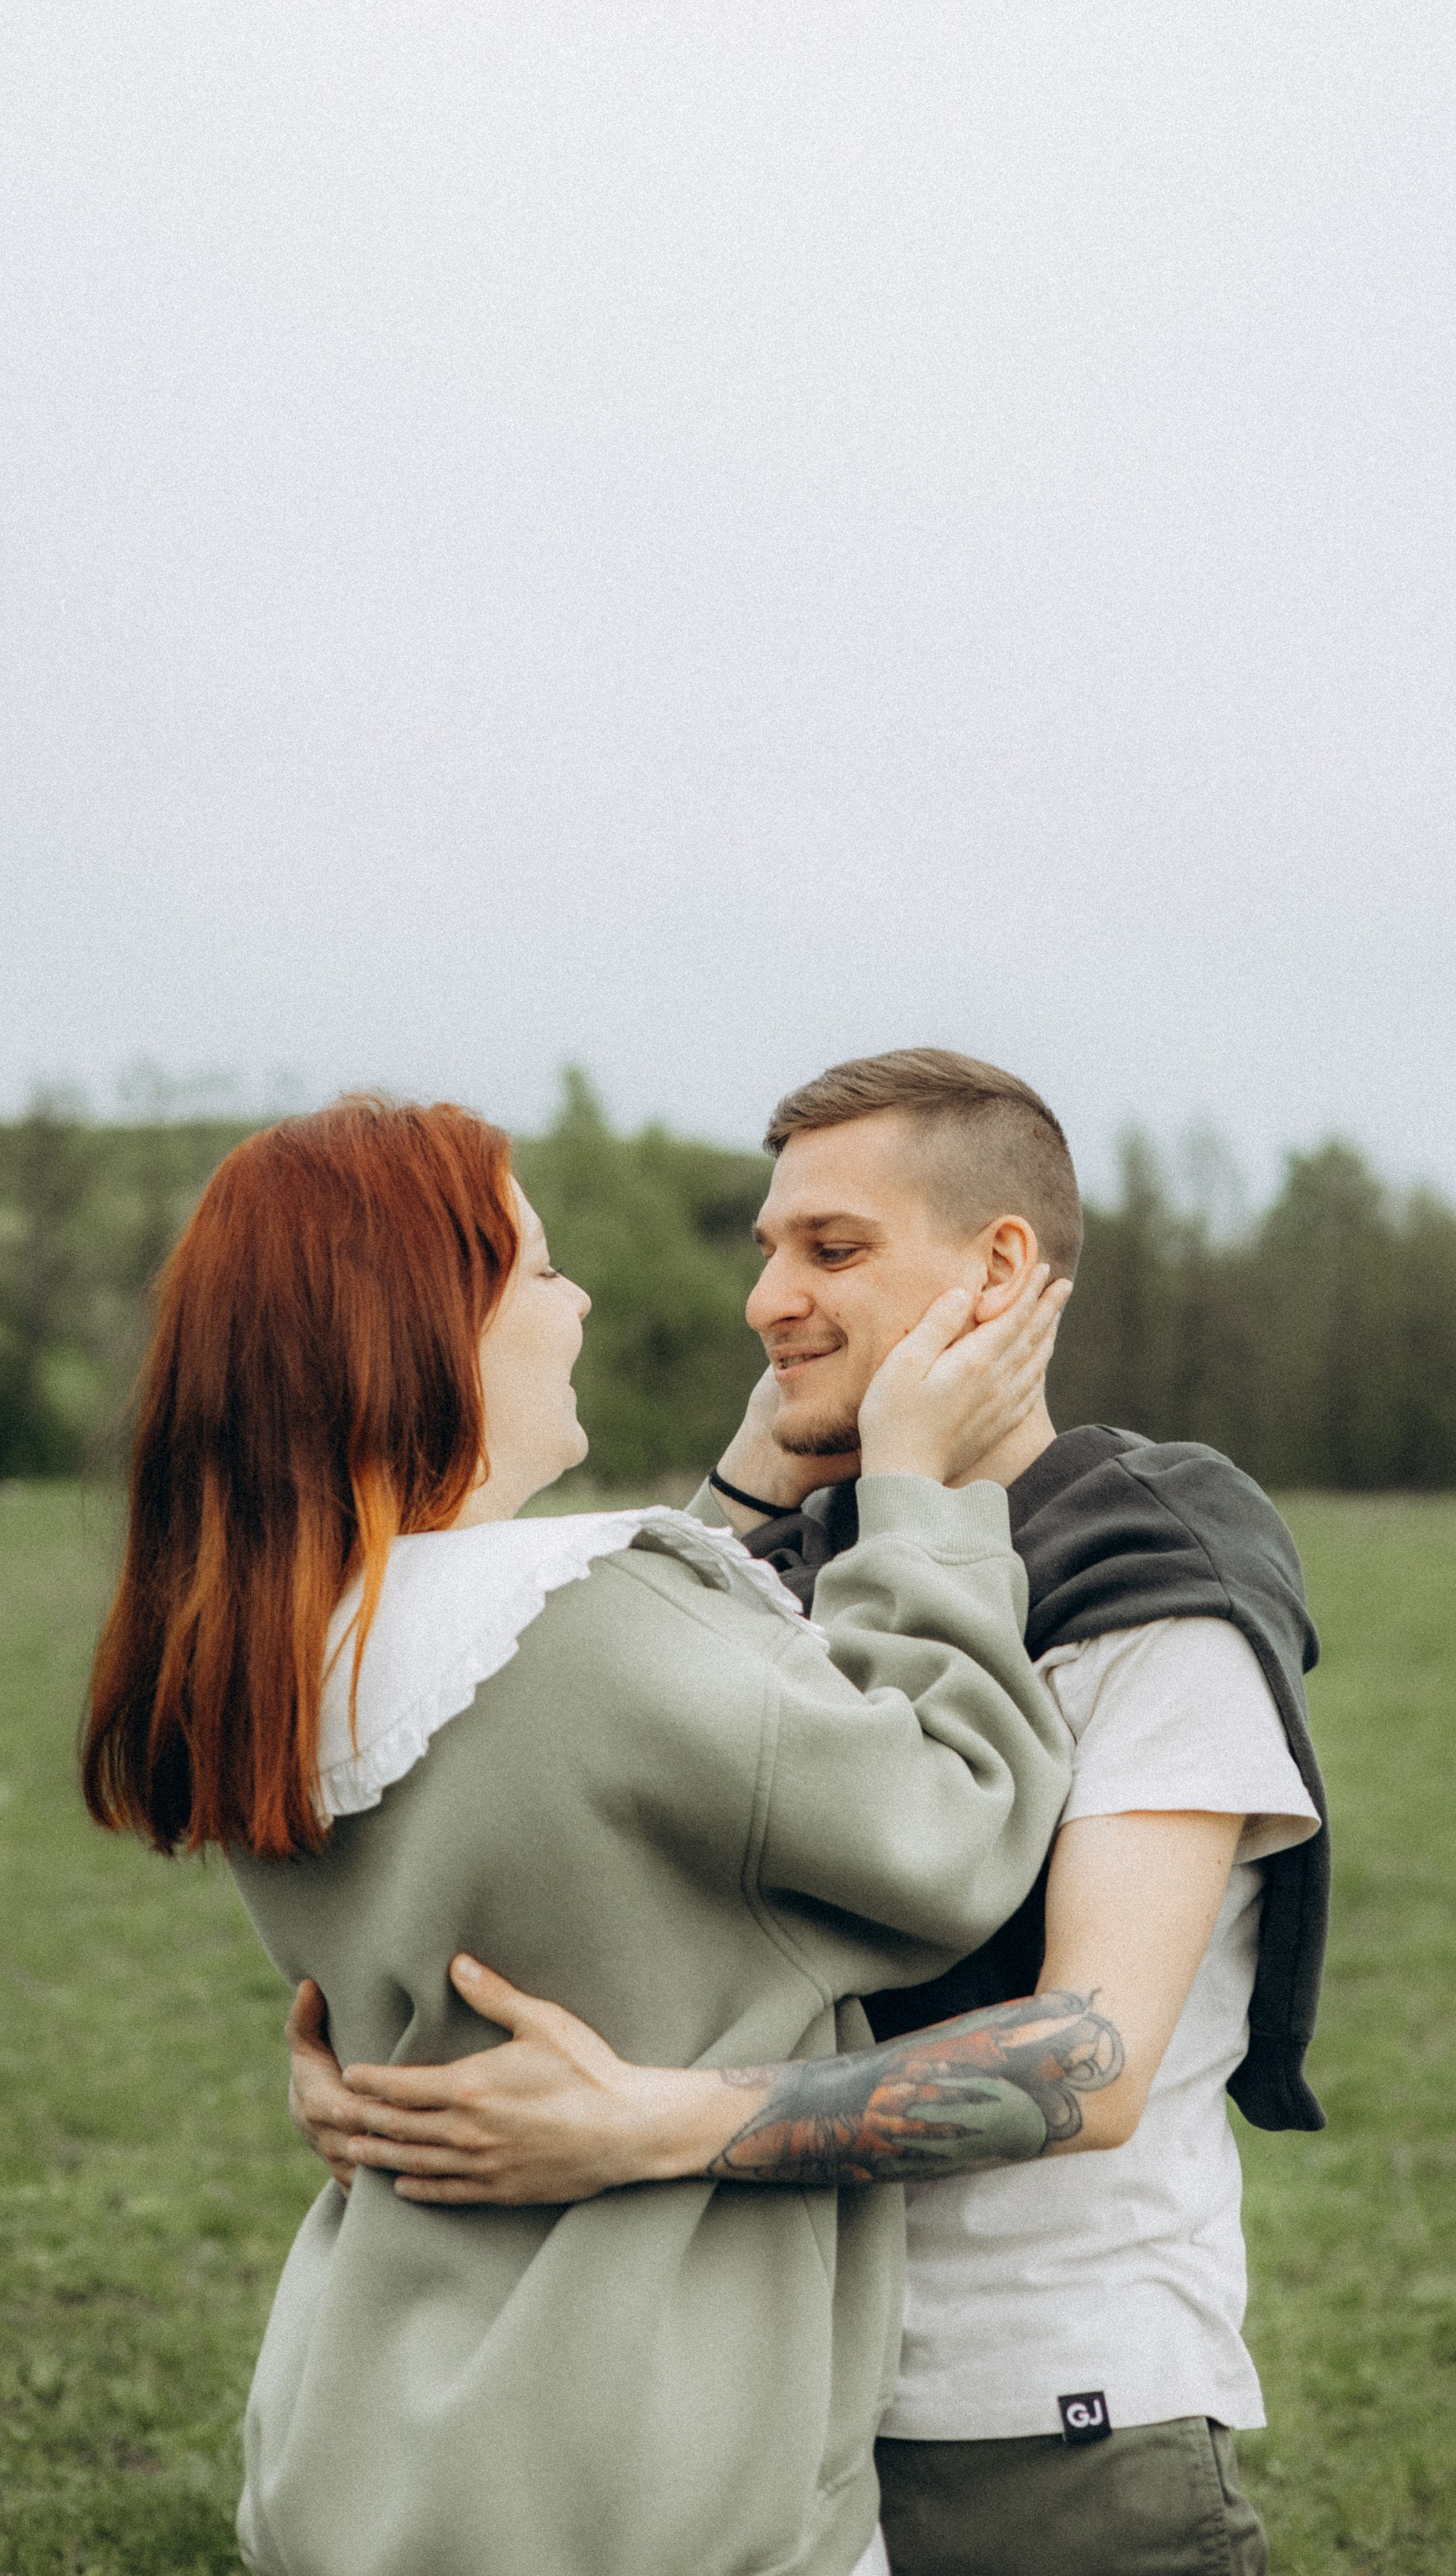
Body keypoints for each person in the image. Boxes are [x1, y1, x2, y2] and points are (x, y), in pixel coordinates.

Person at [289, 1052, 1330, 2576]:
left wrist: (640, 2131)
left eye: (831, 1252)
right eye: (766, 1250)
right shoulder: (805, 1558)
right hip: (757, 2435)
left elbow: (1084, 2063)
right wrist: (383, 2082)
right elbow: (583, 1824)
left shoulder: (1149, 1569)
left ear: (996, 1273)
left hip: (1040, 2430)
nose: (767, 1297)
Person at [80, 1091, 1075, 2576]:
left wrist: (739, 1494)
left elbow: (629, 1749)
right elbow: (954, 1830)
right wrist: (919, 1500)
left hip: (367, 2446)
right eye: (540, 1268)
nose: (580, 1297)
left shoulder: (282, 1648)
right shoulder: (596, 1640)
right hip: (644, 2478)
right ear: (432, 1327)